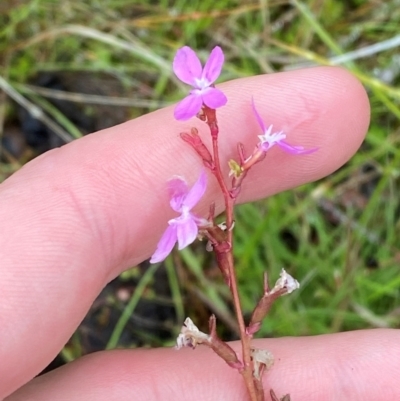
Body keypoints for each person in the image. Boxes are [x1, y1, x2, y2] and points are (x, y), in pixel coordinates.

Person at [1, 67, 398, 401]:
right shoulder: (197, 203)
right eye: (199, 85)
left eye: (206, 80)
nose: (203, 87)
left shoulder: (219, 174)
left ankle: (252, 312)